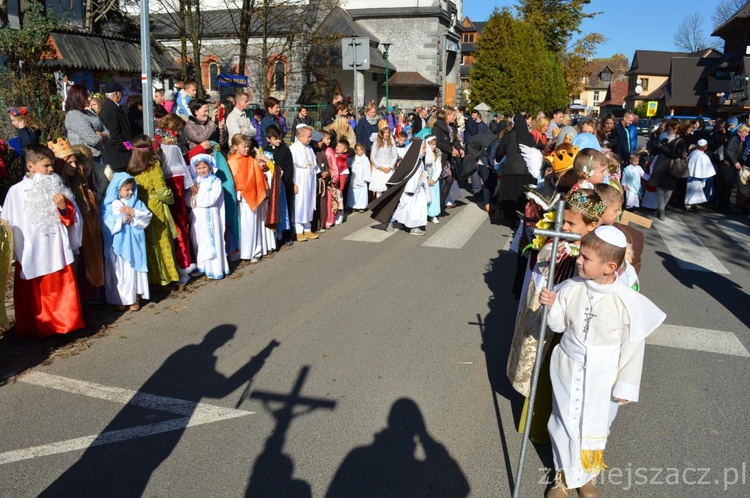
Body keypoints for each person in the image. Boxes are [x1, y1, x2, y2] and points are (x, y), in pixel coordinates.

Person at [540, 226, 666, 498]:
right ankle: (562, 478)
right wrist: (552, 305)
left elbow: (633, 346)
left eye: (586, 258)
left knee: (597, 424)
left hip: (605, 374)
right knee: (564, 421)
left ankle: (588, 474)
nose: (578, 261)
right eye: (580, 255)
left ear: (609, 267)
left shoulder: (626, 301)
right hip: (567, 365)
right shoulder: (570, 287)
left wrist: (626, 385)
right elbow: (559, 324)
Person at [507, 188, 603, 444]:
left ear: (592, 225)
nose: (564, 227)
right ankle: (538, 424)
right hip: (552, 321)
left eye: (572, 223)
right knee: (546, 371)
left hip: (576, 326)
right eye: (563, 221)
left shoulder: (597, 252)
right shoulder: (559, 243)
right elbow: (540, 276)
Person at [1, 144, 84, 337]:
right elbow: (8, 220)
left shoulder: (57, 185)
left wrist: (63, 207)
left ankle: (63, 325)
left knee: (59, 287)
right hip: (31, 250)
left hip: (56, 248)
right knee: (34, 292)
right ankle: (35, 328)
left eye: (52, 165)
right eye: (46, 165)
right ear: (31, 166)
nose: (51, 170)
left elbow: (72, 217)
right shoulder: (16, 192)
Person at [50, 139, 105, 303]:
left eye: (75, 162)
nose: (74, 166)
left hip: (84, 226)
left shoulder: (78, 181)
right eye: (70, 163)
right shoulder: (56, 183)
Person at [126, 134, 180, 286]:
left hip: (141, 207)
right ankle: (167, 277)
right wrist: (171, 197)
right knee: (162, 240)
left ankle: (152, 279)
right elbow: (162, 191)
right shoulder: (154, 166)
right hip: (156, 207)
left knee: (148, 243)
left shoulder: (132, 169)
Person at [100, 172, 152, 310]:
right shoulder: (109, 205)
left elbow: (147, 216)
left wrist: (134, 212)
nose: (130, 192)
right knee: (118, 271)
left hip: (133, 243)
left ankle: (134, 298)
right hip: (117, 245)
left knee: (132, 270)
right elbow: (105, 221)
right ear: (118, 189)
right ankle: (120, 298)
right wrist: (121, 220)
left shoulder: (136, 203)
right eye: (126, 190)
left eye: (131, 189)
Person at [157, 113, 195, 283]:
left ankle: (182, 264)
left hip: (172, 181)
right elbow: (179, 165)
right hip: (173, 182)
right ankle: (182, 264)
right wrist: (190, 183)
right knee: (179, 225)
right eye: (179, 129)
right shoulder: (167, 141)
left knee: (177, 225)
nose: (179, 133)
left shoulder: (161, 139)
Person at [227, 135, 275, 262]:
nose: (247, 149)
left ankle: (255, 251)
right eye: (244, 147)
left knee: (254, 224)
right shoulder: (231, 161)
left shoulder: (251, 160)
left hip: (253, 193)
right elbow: (233, 180)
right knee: (243, 225)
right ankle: (242, 251)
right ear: (235, 147)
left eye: (248, 147)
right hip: (241, 197)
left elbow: (258, 176)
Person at [187, 155, 230, 278]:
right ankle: (203, 267)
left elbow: (210, 200)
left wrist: (197, 194)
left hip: (210, 215)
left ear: (210, 167)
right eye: (199, 168)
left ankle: (215, 268)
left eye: (204, 167)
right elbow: (187, 200)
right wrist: (192, 194)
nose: (202, 170)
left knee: (212, 242)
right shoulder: (195, 181)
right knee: (198, 241)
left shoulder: (215, 181)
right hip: (197, 217)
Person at [647, 118, 689, 220]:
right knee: (660, 190)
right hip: (660, 166)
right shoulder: (665, 138)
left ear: (676, 129)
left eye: (671, 128)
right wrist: (656, 149)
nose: (669, 129)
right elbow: (655, 150)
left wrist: (663, 148)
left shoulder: (680, 141)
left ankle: (662, 207)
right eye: (668, 127)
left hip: (671, 168)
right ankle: (661, 210)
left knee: (669, 190)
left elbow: (676, 155)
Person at [389, 139, 430, 235]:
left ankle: (391, 220)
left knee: (404, 209)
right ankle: (413, 227)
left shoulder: (419, 161)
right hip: (411, 191)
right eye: (424, 148)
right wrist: (410, 190)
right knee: (413, 209)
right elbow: (412, 178)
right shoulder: (414, 162)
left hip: (417, 190)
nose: (425, 150)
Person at [289, 125, 320, 241]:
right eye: (308, 137)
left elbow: (313, 163)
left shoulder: (309, 148)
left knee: (309, 201)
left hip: (310, 177)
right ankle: (298, 229)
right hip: (299, 178)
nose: (310, 139)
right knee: (300, 203)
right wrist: (294, 183)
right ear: (300, 137)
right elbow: (292, 167)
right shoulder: (293, 148)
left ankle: (307, 228)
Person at [266, 125, 295, 246]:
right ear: (269, 139)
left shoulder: (285, 149)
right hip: (271, 186)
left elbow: (289, 167)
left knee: (285, 209)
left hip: (284, 184)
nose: (278, 141)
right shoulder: (265, 151)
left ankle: (287, 235)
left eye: (279, 138)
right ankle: (275, 237)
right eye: (275, 139)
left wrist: (285, 181)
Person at [64, 84, 108, 161]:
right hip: (84, 158)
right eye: (86, 96)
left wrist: (101, 134)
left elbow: (107, 131)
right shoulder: (74, 115)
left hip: (97, 155)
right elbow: (93, 140)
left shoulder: (89, 113)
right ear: (78, 98)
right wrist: (103, 136)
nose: (89, 99)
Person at [433, 107, 464, 216]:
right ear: (447, 115)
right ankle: (438, 206)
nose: (454, 117)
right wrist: (451, 150)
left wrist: (460, 148)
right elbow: (436, 142)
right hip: (440, 157)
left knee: (449, 180)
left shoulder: (452, 128)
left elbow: (455, 141)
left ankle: (441, 204)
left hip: (449, 159)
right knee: (441, 181)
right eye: (453, 115)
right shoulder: (438, 127)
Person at [99, 82, 134, 172]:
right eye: (121, 93)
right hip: (118, 158)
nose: (122, 95)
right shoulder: (110, 110)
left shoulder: (113, 107)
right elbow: (116, 137)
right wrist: (130, 146)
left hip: (119, 157)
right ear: (116, 94)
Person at [717, 124, 749, 213]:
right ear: (742, 131)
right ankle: (723, 205)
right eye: (746, 132)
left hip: (730, 164)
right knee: (728, 184)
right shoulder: (735, 138)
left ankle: (723, 204)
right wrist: (735, 162)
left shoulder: (741, 141)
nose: (747, 134)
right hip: (726, 163)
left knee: (726, 185)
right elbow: (728, 151)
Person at [684, 138, 716, 212]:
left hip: (693, 177)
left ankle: (693, 205)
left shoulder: (693, 153)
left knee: (695, 192)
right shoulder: (703, 156)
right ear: (705, 147)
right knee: (694, 192)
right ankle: (690, 205)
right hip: (697, 177)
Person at [369, 125, 398, 198]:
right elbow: (372, 156)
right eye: (385, 132)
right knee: (379, 187)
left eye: (388, 132)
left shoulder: (391, 141)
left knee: (388, 187)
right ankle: (379, 205)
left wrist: (391, 167)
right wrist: (379, 167)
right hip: (380, 167)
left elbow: (395, 156)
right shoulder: (376, 142)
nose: (386, 134)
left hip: (388, 166)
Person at [348, 143, 372, 212]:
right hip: (355, 178)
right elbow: (350, 165)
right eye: (358, 150)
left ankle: (362, 206)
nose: (360, 152)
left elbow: (367, 169)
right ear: (355, 151)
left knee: (362, 193)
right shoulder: (354, 158)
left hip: (362, 178)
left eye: (362, 150)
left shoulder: (365, 159)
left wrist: (366, 178)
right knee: (354, 192)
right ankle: (352, 205)